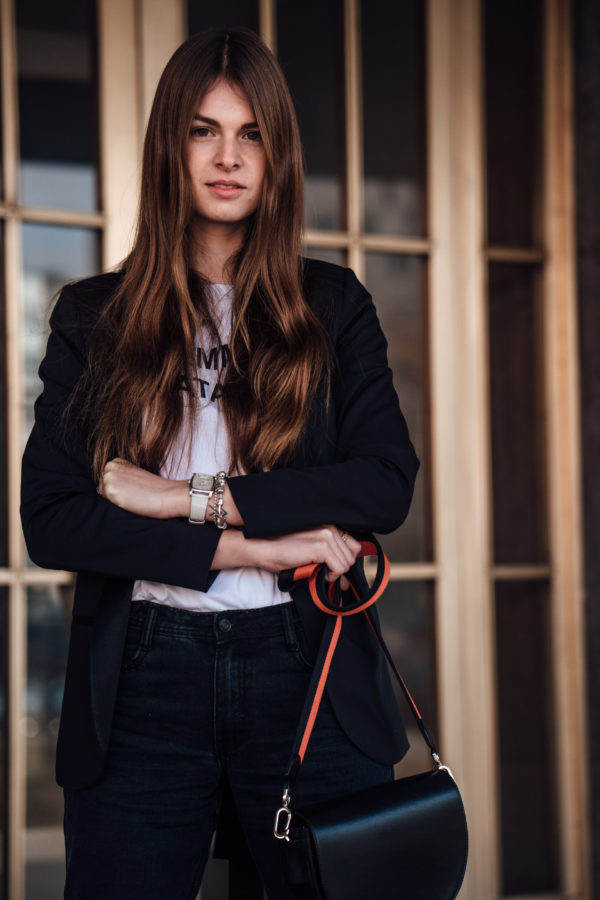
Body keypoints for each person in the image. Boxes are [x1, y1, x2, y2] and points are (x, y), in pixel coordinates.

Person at [20, 27, 419, 900]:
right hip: (143, 680)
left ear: (277, 155)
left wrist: (179, 498)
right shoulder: (94, 317)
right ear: (172, 145)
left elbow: (384, 481)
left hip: (302, 664)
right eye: (204, 131)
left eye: (251, 135)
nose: (228, 158)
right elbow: (51, 516)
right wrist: (251, 546)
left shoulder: (332, 306)